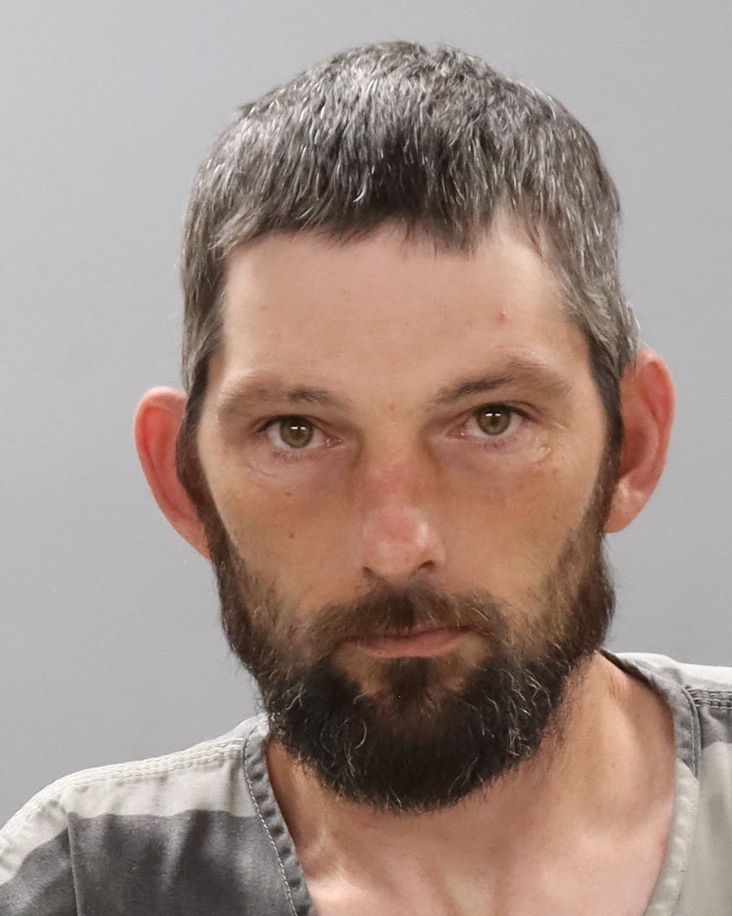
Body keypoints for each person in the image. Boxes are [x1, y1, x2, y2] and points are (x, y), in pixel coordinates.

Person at [1, 40, 729, 916]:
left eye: (492, 420)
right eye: (297, 433)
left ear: (632, 446)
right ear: (185, 477)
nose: (395, 546)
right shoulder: (83, 887)